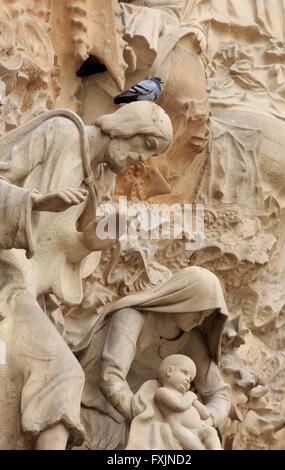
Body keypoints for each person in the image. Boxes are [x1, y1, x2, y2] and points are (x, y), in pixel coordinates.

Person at [0, 101, 173, 450]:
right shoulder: (61, 132)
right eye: (147, 145)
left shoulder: (92, 185)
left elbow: (57, 249)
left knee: (63, 375)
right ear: (126, 128)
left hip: (28, 288)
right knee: (64, 373)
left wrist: (91, 242)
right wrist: (36, 201)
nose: (142, 159)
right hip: (8, 276)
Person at [78, 266, 230, 449]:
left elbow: (219, 394)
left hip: (144, 425)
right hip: (94, 410)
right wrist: (145, 416)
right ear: (183, 298)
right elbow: (111, 375)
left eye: (206, 316)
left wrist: (206, 420)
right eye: (199, 310)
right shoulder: (131, 318)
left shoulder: (192, 340)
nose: (201, 320)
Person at [126, 354, 222, 449]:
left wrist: (195, 401)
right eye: (185, 373)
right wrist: (190, 396)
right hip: (178, 429)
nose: (187, 380)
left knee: (211, 432)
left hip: (198, 429)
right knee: (197, 447)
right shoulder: (162, 392)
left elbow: (205, 415)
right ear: (169, 371)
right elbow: (179, 405)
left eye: (190, 379)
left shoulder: (187, 397)